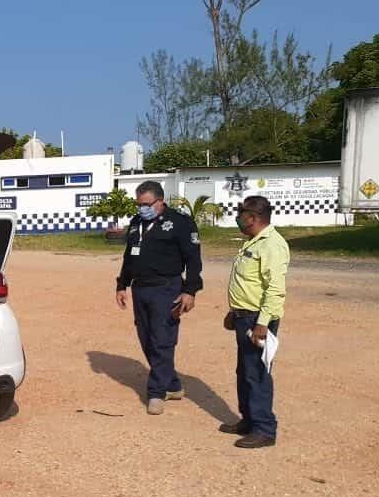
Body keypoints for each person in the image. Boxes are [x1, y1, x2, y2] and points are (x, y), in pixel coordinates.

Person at [115, 180, 203, 415]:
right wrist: (122, 284)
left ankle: (156, 392)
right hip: (141, 289)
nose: (141, 209)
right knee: (146, 338)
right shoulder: (136, 224)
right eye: (138, 204)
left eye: (146, 204)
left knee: (163, 339)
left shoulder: (180, 223)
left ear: (160, 201)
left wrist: (190, 290)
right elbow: (129, 257)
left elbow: (193, 259)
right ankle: (172, 384)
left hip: (167, 288)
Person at [221, 195, 290, 449]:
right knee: (244, 371)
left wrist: (262, 324)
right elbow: (247, 283)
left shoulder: (272, 244)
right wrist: (234, 312)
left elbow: (274, 289)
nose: (238, 217)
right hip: (244, 316)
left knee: (258, 373)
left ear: (253, 217)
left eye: (241, 213)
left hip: (257, 319)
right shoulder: (253, 241)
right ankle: (248, 420)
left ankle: (264, 429)